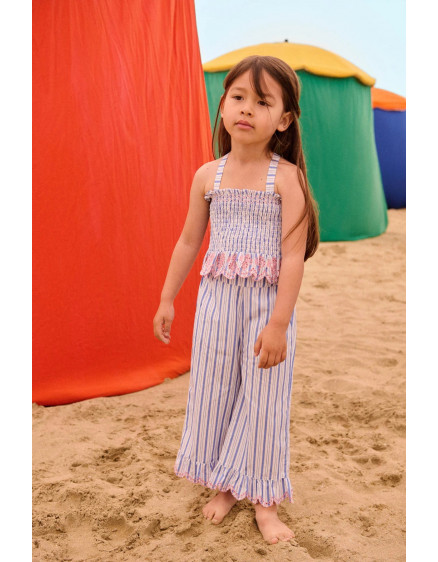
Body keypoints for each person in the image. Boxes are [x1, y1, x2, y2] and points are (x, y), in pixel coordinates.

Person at [153, 55, 319, 545]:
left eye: (262, 101)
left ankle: (265, 500)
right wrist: (167, 298)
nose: (246, 108)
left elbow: (293, 256)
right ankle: (225, 483)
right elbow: (189, 241)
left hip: (267, 309)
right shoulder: (208, 175)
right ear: (223, 105)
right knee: (215, 391)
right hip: (216, 306)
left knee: (265, 399)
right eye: (238, 97)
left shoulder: (287, 178)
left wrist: (279, 324)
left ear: (283, 120)